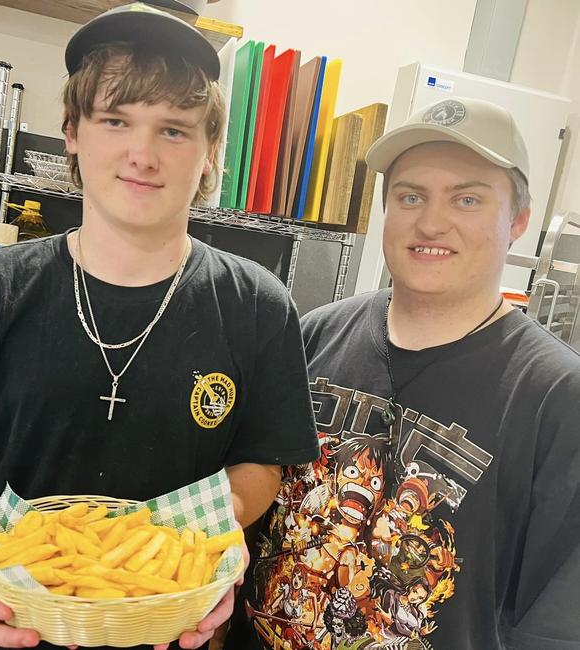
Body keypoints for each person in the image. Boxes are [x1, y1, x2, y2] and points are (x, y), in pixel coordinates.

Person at [0, 3, 319, 649]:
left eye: (174, 130)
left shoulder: (259, 305)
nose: (142, 153)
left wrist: (204, 550)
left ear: (208, 151)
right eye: (116, 120)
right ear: (73, 133)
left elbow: (262, 464)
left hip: (170, 628)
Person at [228, 97, 580, 649]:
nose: (431, 222)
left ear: (517, 221)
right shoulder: (313, 336)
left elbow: (557, 624)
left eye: (467, 198)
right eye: (410, 196)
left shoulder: (557, 396)